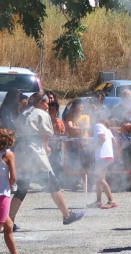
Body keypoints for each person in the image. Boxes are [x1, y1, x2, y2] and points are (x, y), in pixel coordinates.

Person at [10, 93, 84, 228]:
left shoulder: (24, 113)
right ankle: (67, 215)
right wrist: (46, 148)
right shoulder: (41, 114)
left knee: (22, 188)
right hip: (34, 152)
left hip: (21, 152)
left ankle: (9, 220)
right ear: (41, 103)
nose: (47, 106)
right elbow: (45, 134)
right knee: (53, 182)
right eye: (46, 103)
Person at [0, 128, 29, 254]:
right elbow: (13, 177)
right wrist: (10, 186)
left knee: (8, 226)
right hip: (2, 195)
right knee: (3, 226)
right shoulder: (9, 154)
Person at [90, 122, 117, 209]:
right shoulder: (107, 129)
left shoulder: (98, 125)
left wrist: (93, 147)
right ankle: (98, 201)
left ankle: (111, 201)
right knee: (100, 179)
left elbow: (102, 138)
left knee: (100, 179)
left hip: (102, 156)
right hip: (107, 156)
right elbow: (114, 142)